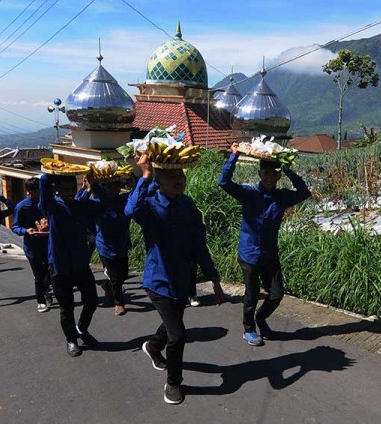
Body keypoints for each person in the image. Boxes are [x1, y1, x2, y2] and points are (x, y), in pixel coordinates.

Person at [126, 154, 224, 405]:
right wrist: (145, 175)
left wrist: (214, 279)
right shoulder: (149, 206)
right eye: (171, 176)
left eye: (180, 175)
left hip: (182, 280)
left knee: (173, 324)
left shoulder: (188, 206)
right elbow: (130, 210)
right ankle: (173, 383)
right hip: (158, 281)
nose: (178, 180)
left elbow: (199, 245)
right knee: (178, 335)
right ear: (159, 180)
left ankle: (153, 346)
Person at [219, 145, 311, 346]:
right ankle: (249, 329)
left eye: (274, 174)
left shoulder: (282, 197)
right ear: (259, 173)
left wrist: (288, 171)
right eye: (266, 173)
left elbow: (305, 193)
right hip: (249, 254)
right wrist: (233, 156)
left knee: (277, 294)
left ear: (278, 177)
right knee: (251, 296)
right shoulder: (248, 194)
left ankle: (261, 318)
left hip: (269, 254)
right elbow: (224, 182)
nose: (269, 177)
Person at [39, 171, 105, 357]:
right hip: (59, 267)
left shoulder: (82, 205)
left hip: (80, 264)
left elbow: (106, 204)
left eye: (72, 188)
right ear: (57, 190)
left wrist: (95, 185)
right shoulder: (52, 207)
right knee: (66, 308)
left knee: (91, 301)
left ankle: (81, 329)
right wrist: (51, 174)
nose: (69, 192)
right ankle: (71, 340)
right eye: (65, 189)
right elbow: (44, 188)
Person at [76, 177, 132, 316]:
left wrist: (134, 182)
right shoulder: (96, 203)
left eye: (115, 186)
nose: (112, 189)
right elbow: (79, 204)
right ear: (102, 188)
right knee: (115, 277)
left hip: (122, 244)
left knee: (123, 275)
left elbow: (139, 194)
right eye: (108, 186)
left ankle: (106, 286)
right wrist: (86, 189)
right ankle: (119, 303)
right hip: (105, 246)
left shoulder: (124, 199)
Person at [11, 178, 52, 313]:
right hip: (32, 247)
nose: (41, 193)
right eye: (38, 190)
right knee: (39, 275)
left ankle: (46, 291)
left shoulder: (47, 203)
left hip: (49, 244)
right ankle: (41, 301)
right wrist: (26, 231)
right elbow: (15, 227)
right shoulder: (22, 207)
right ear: (30, 192)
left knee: (51, 272)